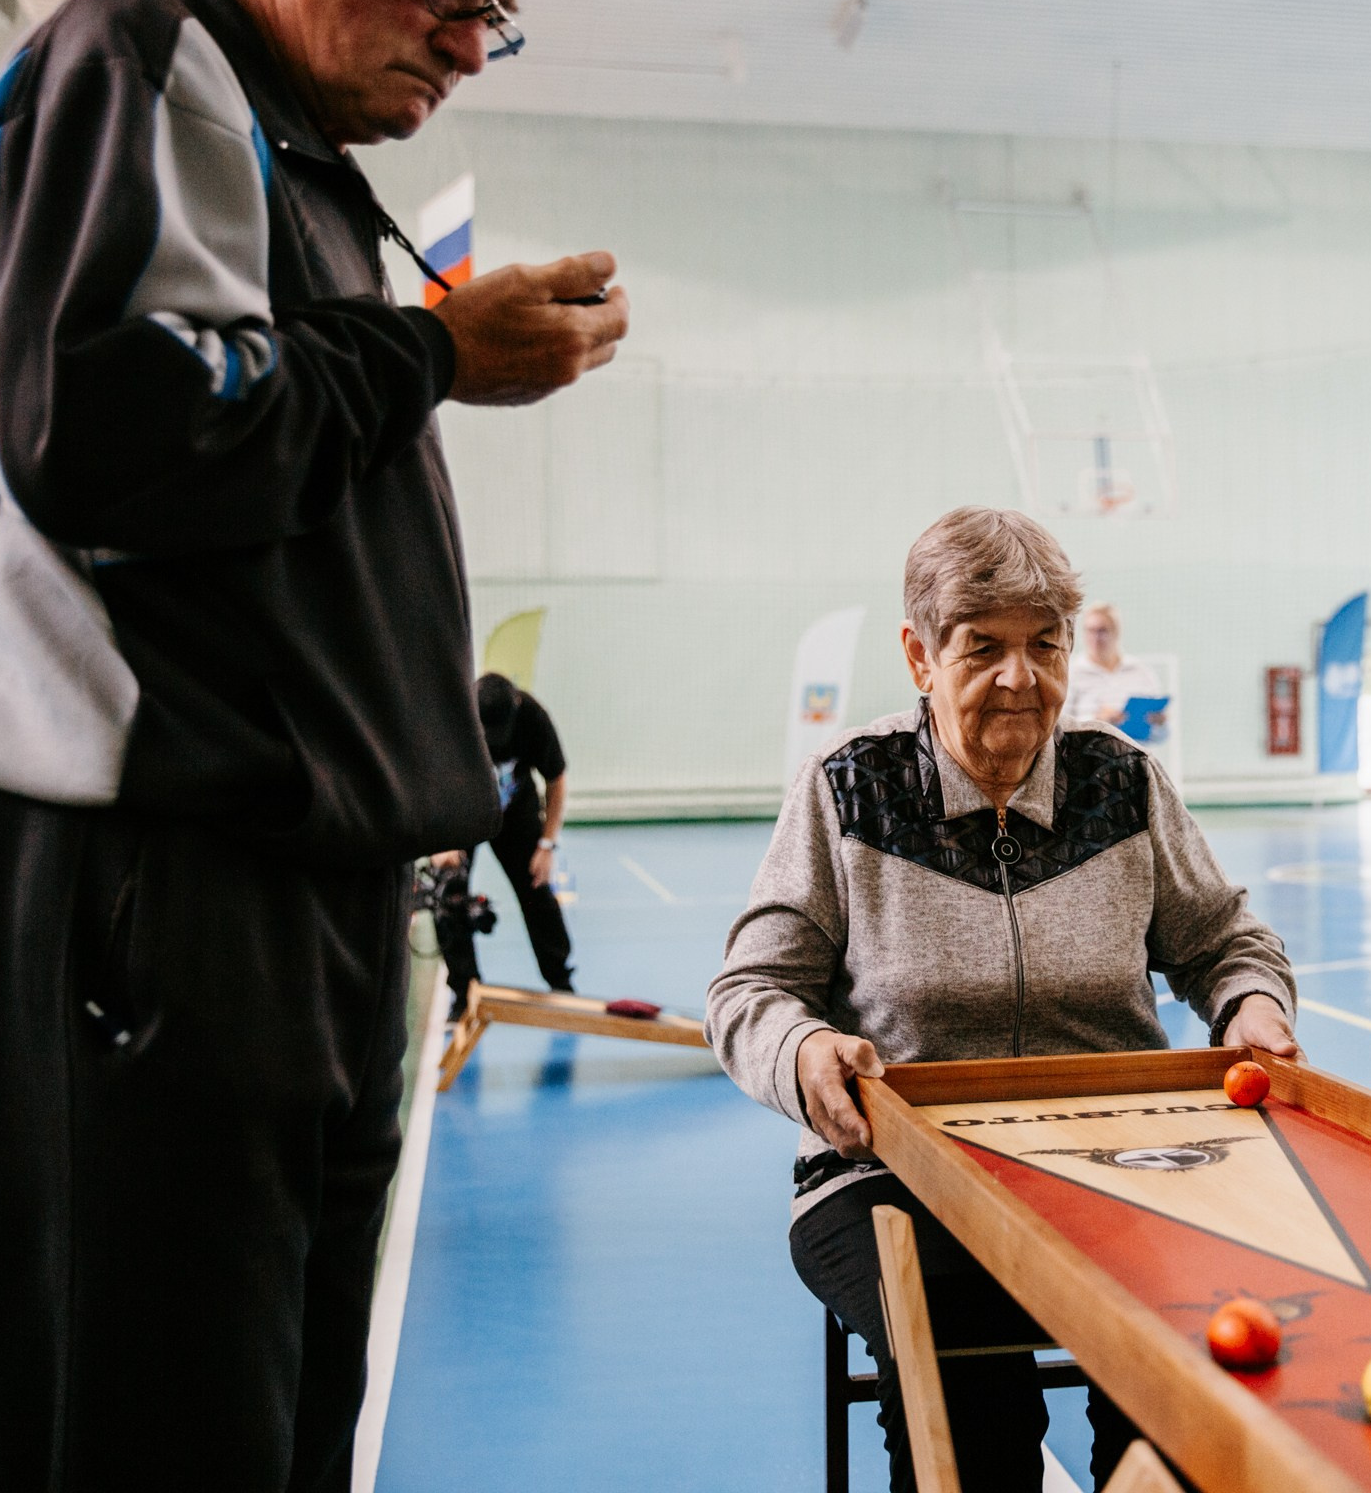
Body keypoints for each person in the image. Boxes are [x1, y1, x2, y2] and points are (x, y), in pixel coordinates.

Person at [0, 0, 631, 1486]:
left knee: (283, 1421)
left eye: (491, 12)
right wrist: (429, 354)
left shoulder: (304, 169)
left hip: (304, 897)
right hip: (154, 877)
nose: (467, 41)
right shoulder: (145, 58)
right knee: (161, 1429)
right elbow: (100, 421)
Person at [709, 507, 1299, 1491]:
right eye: (983, 647)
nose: (1022, 677)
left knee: (1191, 1405)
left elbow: (1227, 942)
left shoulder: (1123, 782)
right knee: (973, 1419)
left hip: (1127, 1164)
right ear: (919, 654)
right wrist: (807, 1054)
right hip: (892, 1180)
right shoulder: (849, 788)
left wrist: (1252, 1005)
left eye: (1045, 645)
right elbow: (752, 990)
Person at [433, 673, 574, 1009]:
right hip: (461, 814)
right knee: (450, 894)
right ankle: (464, 991)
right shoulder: (451, 719)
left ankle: (561, 979)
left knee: (536, 886)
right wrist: (439, 843)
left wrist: (546, 846)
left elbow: (556, 780)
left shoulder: (533, 717)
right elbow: (427, 782)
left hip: (516, 811)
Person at [1063, 601, 1167, 742]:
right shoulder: (1072, 672)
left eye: (1102, 631)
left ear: (1116, 631)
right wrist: (1098, 720)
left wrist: (1159, 723)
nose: (1095, 638)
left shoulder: (1140, 672)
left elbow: (1161, 736)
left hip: (1133, 756)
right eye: (1090, 630)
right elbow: (1061, 727)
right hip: (1088, 757)